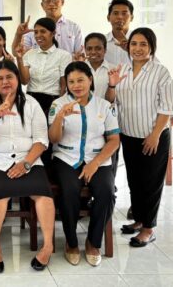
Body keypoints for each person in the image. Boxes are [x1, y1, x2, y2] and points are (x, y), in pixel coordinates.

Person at [0, 60, 55, 273]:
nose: (5, 81)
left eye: (9, 77)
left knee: (43, 194)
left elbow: (41, 140)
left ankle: (48, 246)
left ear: (18, 79)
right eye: (0, 78)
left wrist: (26, 164)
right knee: (0, 194)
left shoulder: (32, 104)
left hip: (29, 159)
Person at [106, 28, 173, 247]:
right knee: (134, 180)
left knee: (151, 183)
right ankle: (139, 219)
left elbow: (167, 107)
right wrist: (112, 84)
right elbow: (111, 100)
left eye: (143, 44)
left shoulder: (160, 72)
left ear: (152, 47)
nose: (137, 48)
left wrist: (155, 135)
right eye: (134, 44)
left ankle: (148, 228)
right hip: (128, 134)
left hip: (153, 136)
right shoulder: (123, 69)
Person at [48, 62, 120, 267]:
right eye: (71, 81)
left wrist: (95, 164)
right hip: (66, 158)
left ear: (90, 80)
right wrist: (60, 117)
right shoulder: (58, 104)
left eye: (80, 80)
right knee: (69, 190)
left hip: (97, 158)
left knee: (106, 192)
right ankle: (71, 242)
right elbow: (53, 139)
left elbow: (114, 140)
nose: (76, 85)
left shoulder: (103, 105)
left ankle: (93, 242)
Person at [16, 17, 72, 115]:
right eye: (36, 32)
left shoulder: (64, 55)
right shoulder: (29, 54)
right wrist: (19, 59)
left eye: (43, 31)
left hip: (53, 101)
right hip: (31, 100)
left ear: (53, 33)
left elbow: (64, 85)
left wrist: (59, 106)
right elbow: (24, 81)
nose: (38, 35)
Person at [12, 0, 83, 55]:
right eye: (47, 1)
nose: (51, 4)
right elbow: (17, 53)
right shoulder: (33, 29)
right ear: (42, 5)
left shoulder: (74, 27)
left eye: (55, 0)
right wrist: (18, 35)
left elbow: (81, 55)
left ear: (62, 2)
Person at [83, 32, 113, 99]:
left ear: (105, 50)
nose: (93, 52)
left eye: (98, 48)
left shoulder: (113, 70)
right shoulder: (78, 69)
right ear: (85, 50)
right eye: (89, 49)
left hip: (107, 105)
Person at [105, 0, 134, 66]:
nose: (120, 17)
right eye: (115, 13)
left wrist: (131, 50)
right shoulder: (101, 42)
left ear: (132, 17)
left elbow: (154, 65)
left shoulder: (141, 41)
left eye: (124, 13)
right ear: (108, 17)